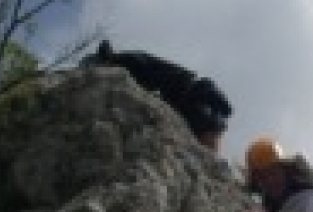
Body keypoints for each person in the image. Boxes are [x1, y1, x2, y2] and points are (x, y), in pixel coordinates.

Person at [81, 40, 233, 151]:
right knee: (206, 148)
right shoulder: (129, 60)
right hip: (184, 100)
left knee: (207, 148)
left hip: (187, 101)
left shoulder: (126, 62)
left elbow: (145, 85)